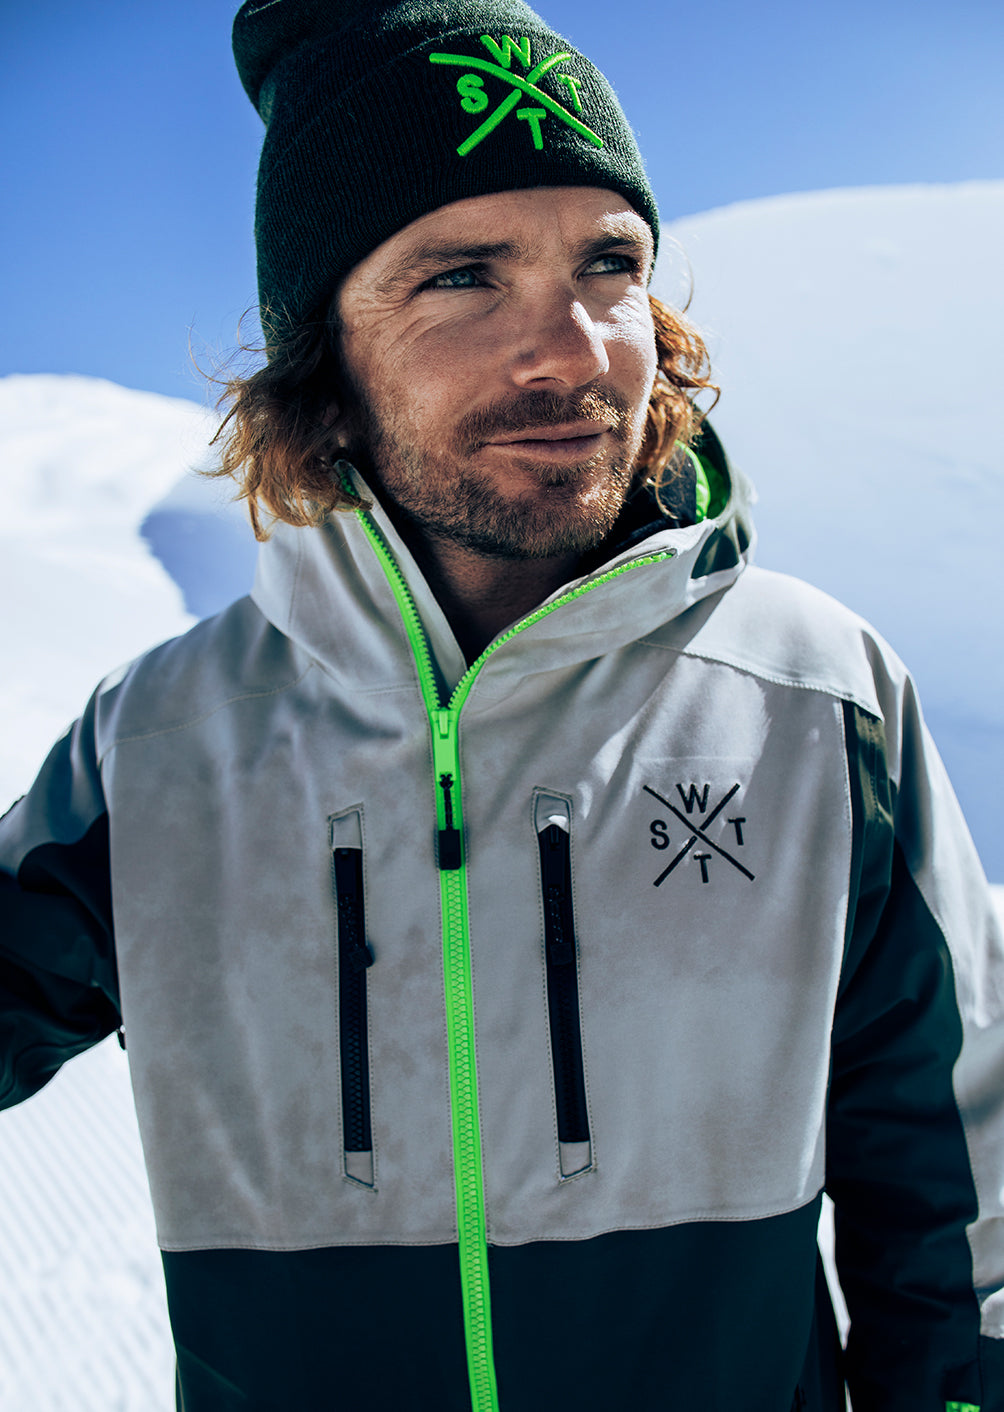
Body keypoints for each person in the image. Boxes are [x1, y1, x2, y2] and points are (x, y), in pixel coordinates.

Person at [1, 0, 1002, 1407]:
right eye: (463, 276)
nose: (574, 352)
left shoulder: (814, 696)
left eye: (610, 264)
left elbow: (970, 1195)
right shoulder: (161, 743)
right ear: (322, 357)